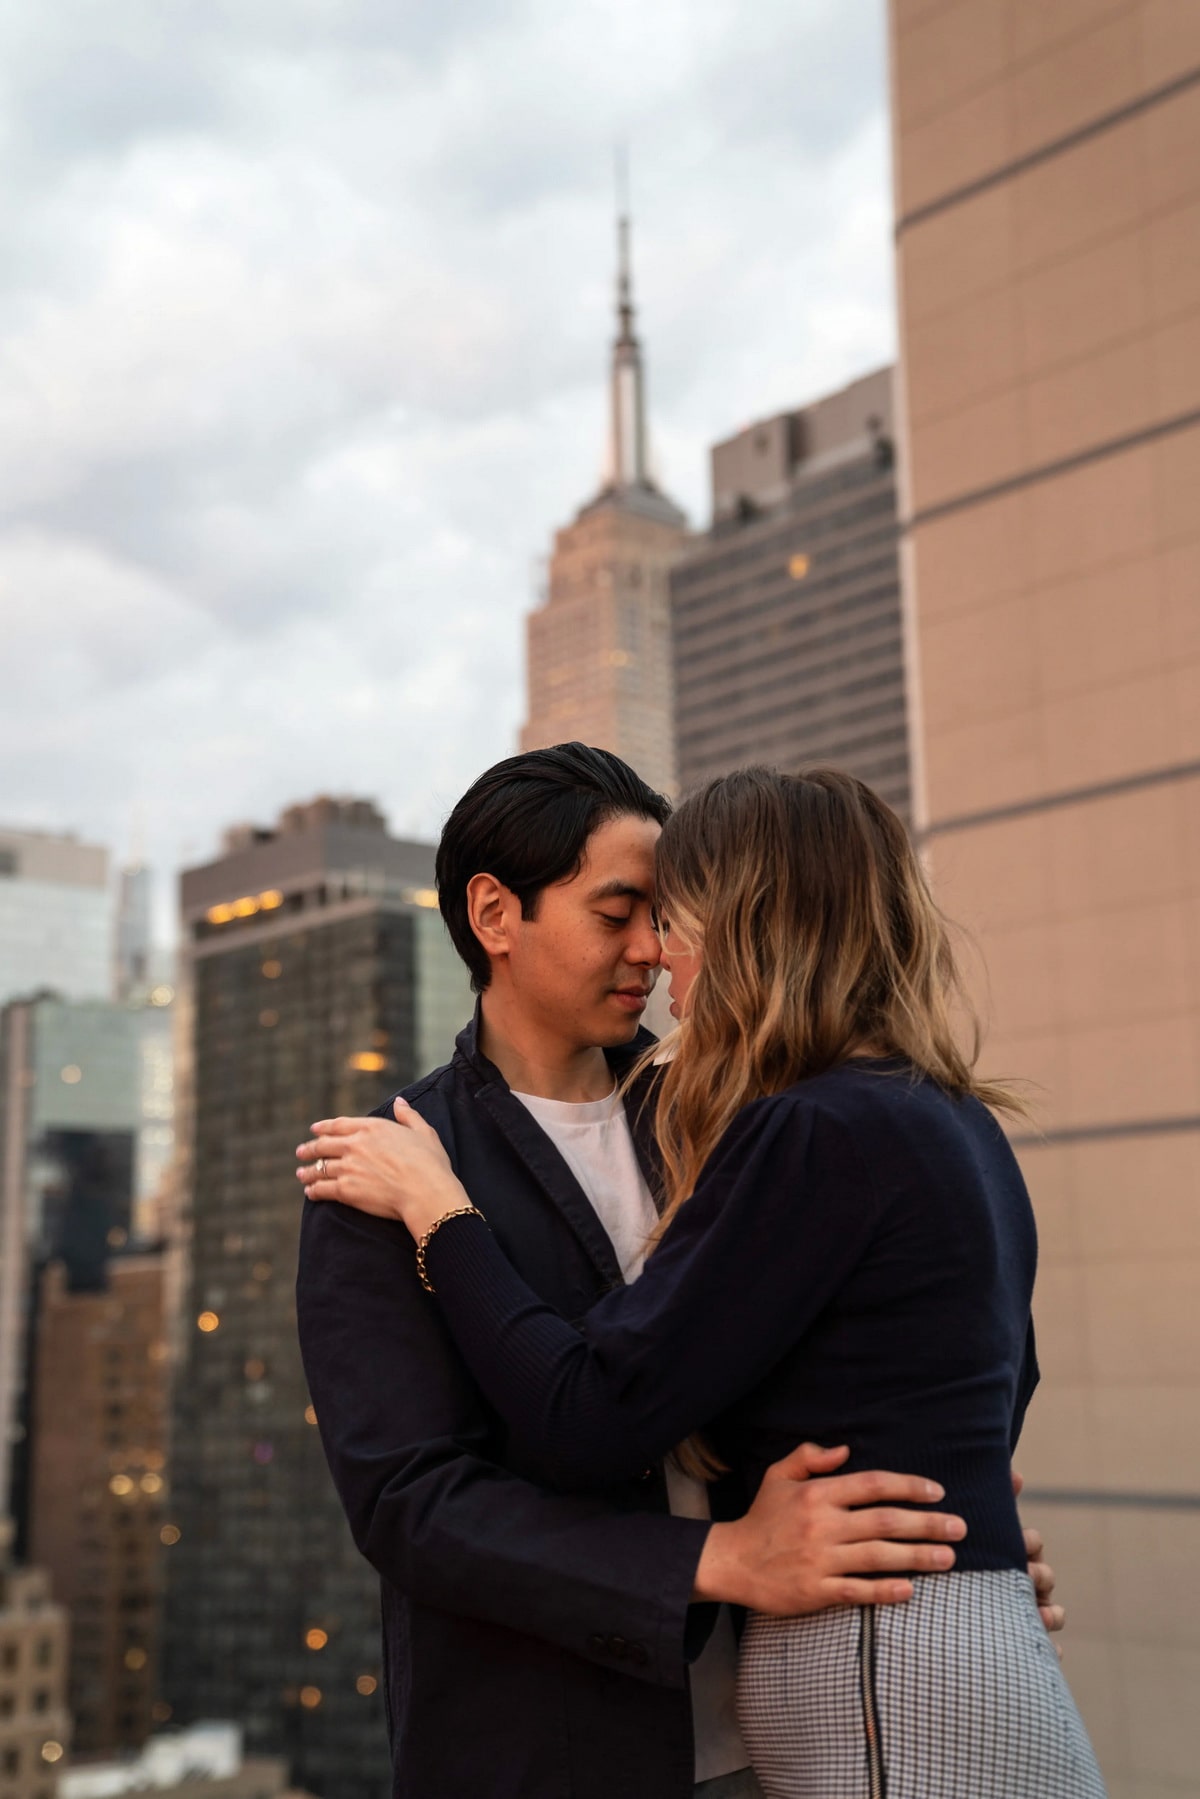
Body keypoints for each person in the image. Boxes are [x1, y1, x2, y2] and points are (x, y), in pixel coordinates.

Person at [300, 762, 1094, 1799]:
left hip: (823, 1710)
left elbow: (943, 1357)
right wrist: (716, 1560)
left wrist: (938, 1530)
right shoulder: (393, 1166)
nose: (653, 947)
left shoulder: (743, 1111)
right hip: (558, 1752)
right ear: (496, 912)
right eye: (619, 910)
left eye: (666, 913)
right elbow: (413, 1506)